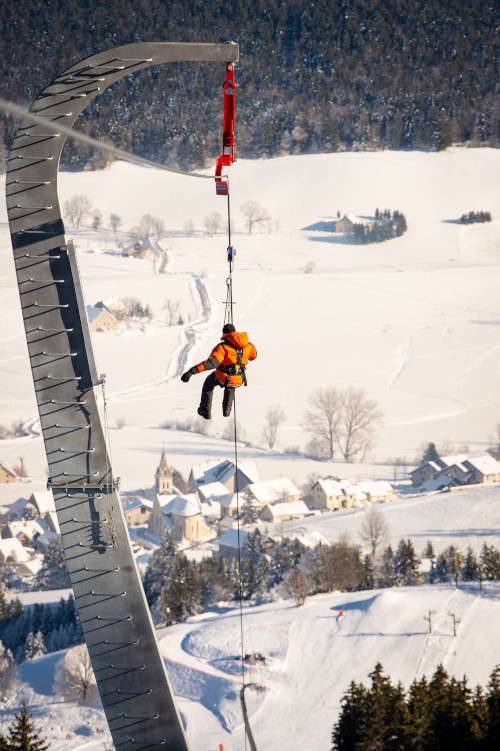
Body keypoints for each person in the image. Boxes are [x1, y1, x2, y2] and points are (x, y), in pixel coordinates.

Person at [181, 323, 257, 419]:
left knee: (209, 383)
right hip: (239, 379)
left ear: (224, 333)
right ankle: (227, 410)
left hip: (223, 377)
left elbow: (211, 363)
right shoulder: (248, 345)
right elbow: (253, 356)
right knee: (231, 385)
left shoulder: (223, 347)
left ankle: (205, 410)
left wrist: (191, 372)